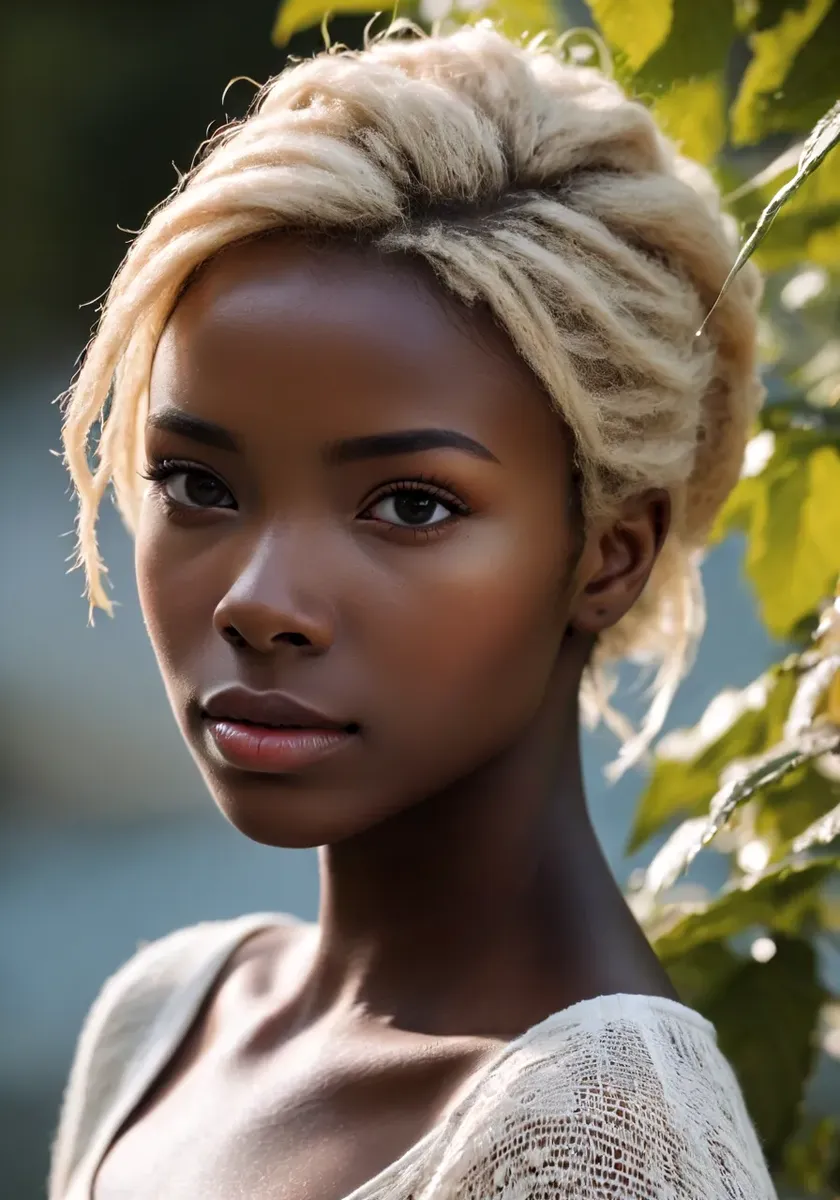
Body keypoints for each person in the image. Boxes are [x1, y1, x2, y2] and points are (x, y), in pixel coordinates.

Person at [49, 20, 777, 1200]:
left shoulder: (600, 1144)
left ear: (609, 553)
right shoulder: (168, 1020)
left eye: (410, 505)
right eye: (196, 485)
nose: (258, 602)